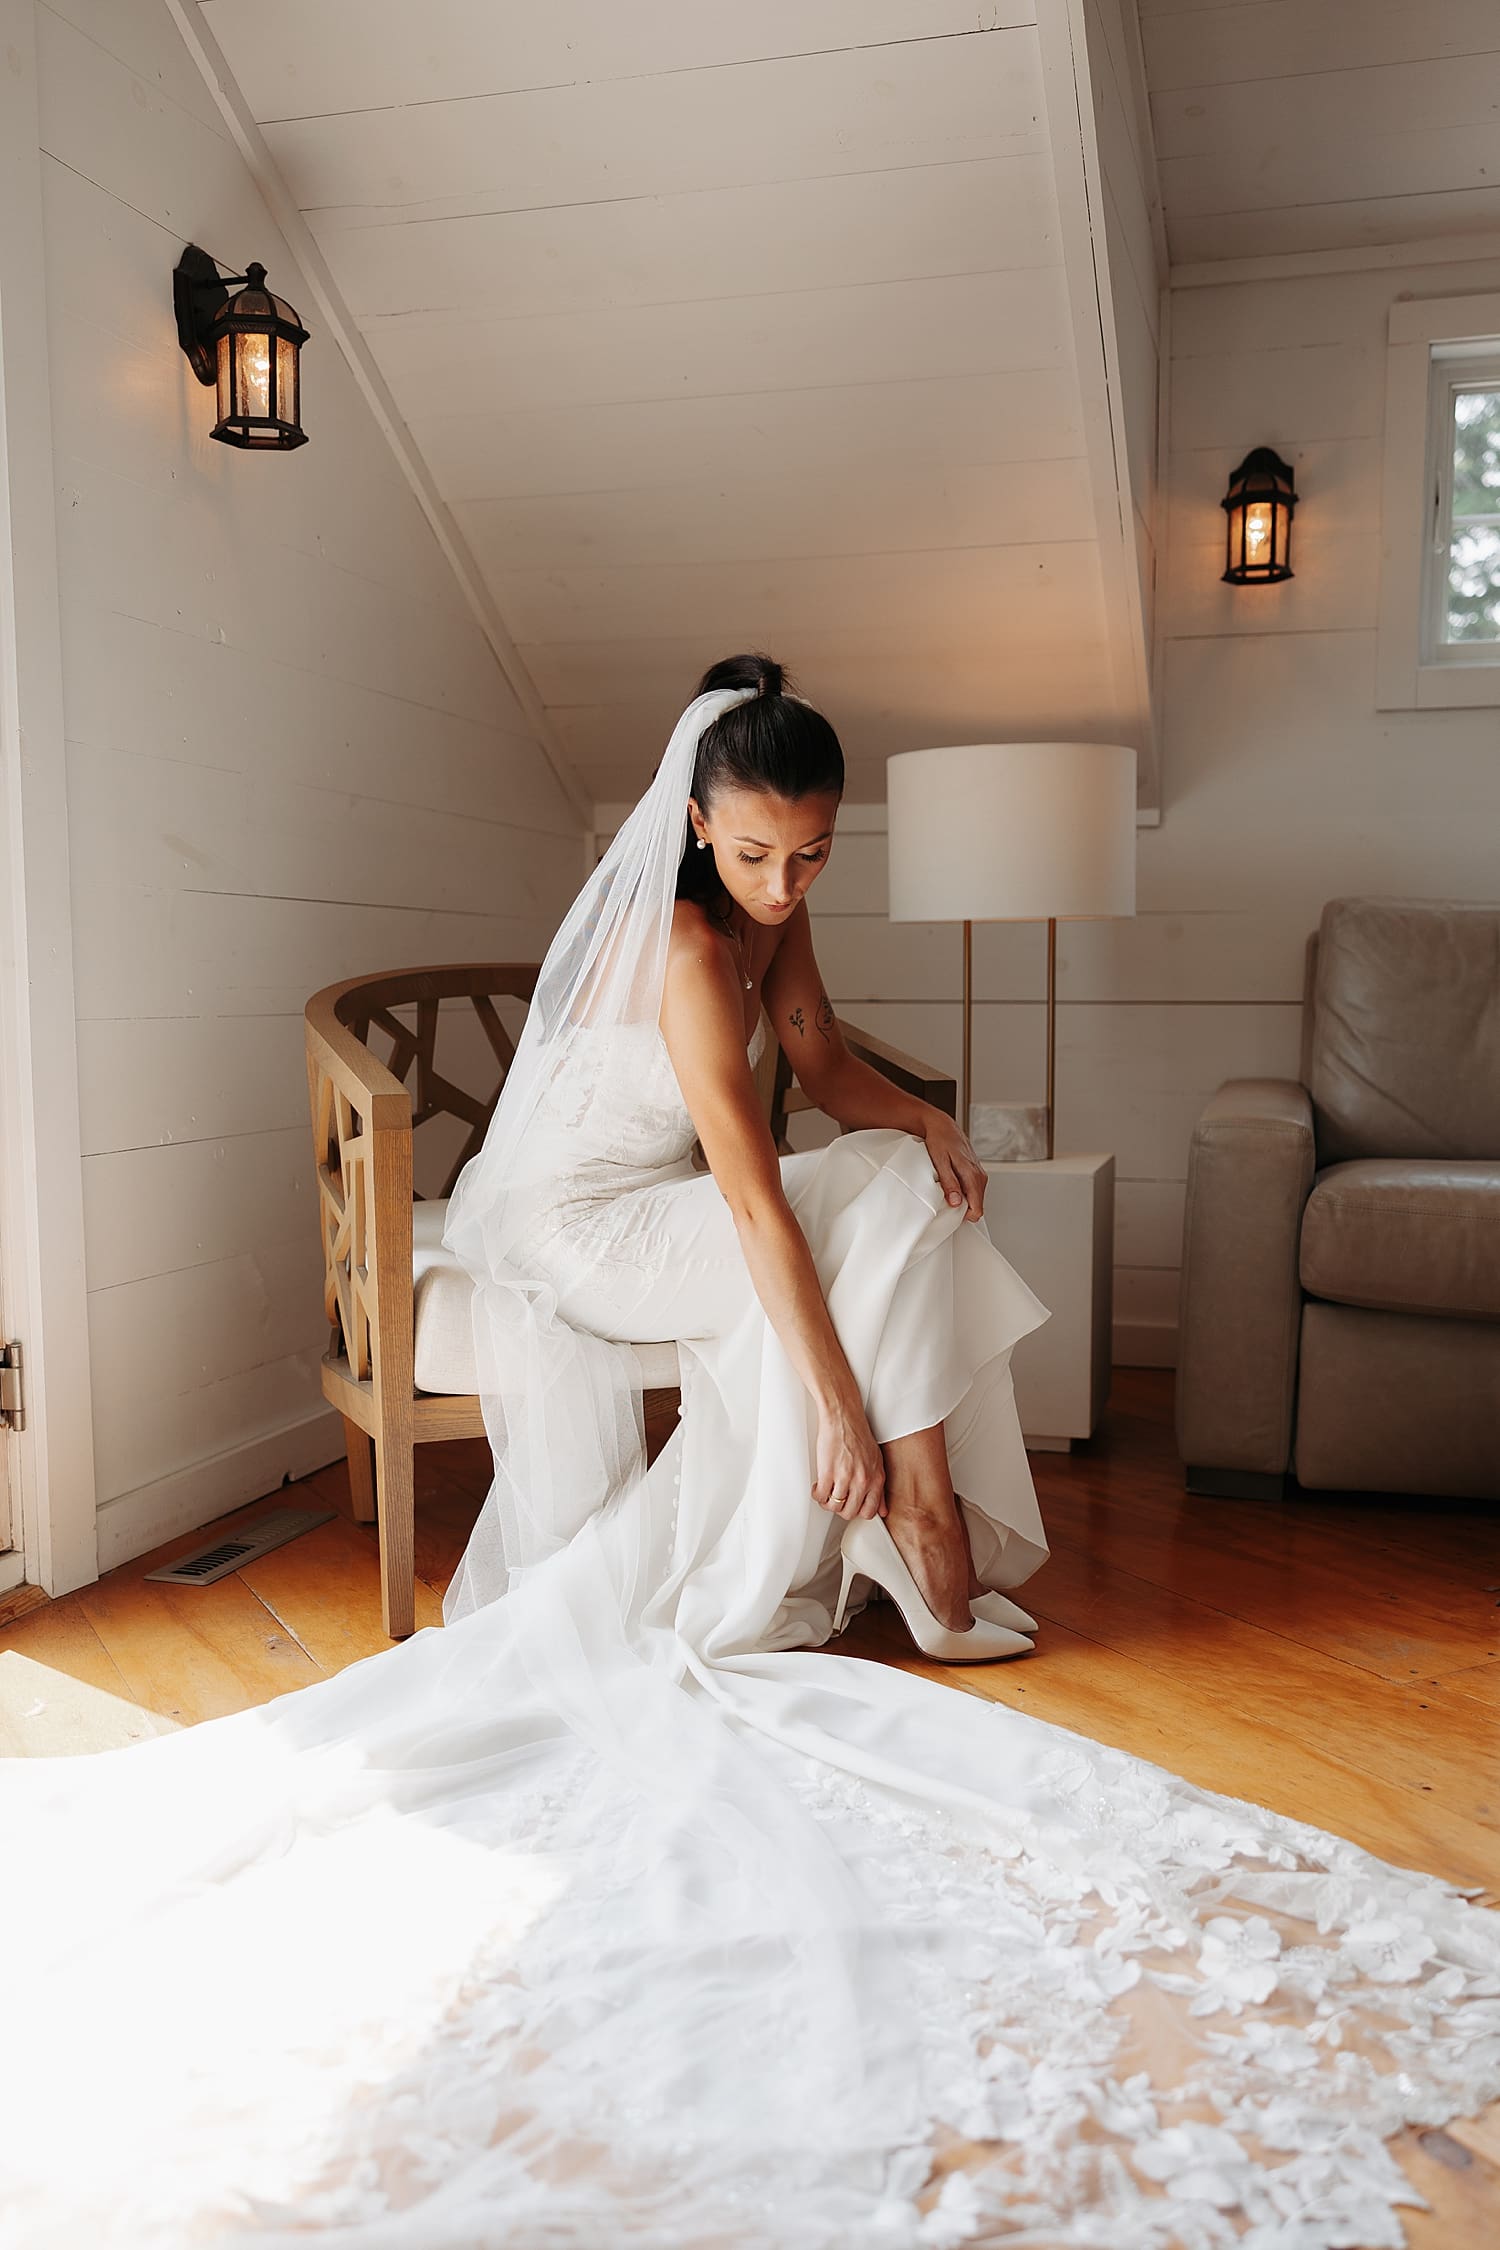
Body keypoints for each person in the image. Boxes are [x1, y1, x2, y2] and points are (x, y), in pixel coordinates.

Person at [0, 659, 1495, 2250]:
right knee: (852, 1226)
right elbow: (754, 1192)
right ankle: (914, 1493)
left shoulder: (772, 916)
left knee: (899, 1184)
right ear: (696, 821)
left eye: (815, 852)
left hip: (684, 1193)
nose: (787, 880)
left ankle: (920, 1499)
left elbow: (829, 1076)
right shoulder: (684, 939)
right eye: (759, 851)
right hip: (577, 1226)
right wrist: (838, 1405)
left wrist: (917, 1120)